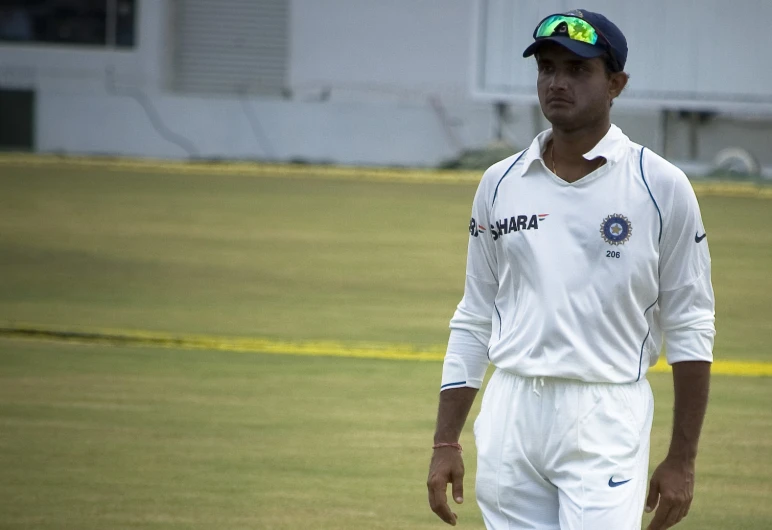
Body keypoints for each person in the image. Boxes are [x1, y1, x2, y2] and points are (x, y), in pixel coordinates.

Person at [426, 9, 714, 530]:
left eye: (578, 70)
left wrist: (682, 458)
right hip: (510, 409)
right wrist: (446, 439)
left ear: (616, 84)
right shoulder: (498, 182)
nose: (558, 82)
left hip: (604, 411)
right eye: (547, 68)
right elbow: (474, 315)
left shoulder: (661, 185)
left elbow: (692, 326)